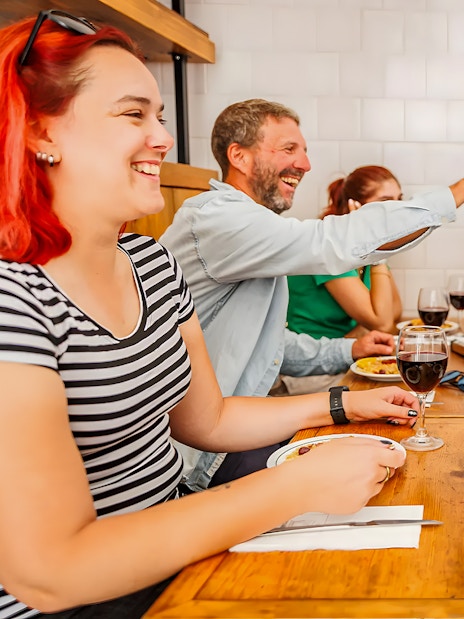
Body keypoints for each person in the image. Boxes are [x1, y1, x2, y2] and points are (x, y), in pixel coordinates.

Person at [0, 12, 416, 619]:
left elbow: (209, 419)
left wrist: (342, 406)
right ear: (42, 133)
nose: (162, 138)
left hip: (177, 566)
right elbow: (53, 575)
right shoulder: (14, 297)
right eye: (132, 114)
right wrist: (295, 486)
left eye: (161, 117)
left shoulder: (149, 263)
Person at [160, 98, 464, 491]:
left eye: (304, 151)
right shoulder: (218, 218)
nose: (305, 164)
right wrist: (456, 193)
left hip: (235, 433)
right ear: (240, 156)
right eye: (289, 149)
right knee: (387, 471)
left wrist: (348, 351)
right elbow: (333, 240)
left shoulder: (251, 229)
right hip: (202, 457)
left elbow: (265, 345)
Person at [287, 165, 404, 341]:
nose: (398, 210)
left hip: (349, 349)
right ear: (355, 206)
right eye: (386, 202)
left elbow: (395, 311)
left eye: (399, 200)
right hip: (316, 358)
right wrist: (378, 251)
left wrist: (378, 248)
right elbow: (384, 323)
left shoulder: (363, 244)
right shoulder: (330, 245)